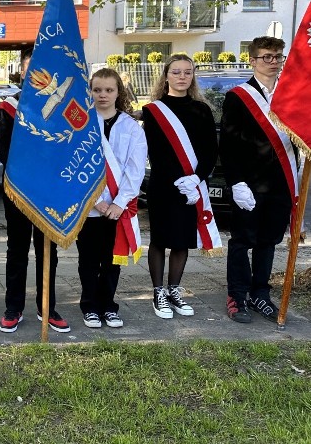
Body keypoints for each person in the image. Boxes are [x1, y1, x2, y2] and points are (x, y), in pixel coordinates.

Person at [220, 36, 296, 323]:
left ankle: (260, 294)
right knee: (242, 240)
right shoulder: (239, 96)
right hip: (249, 185)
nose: (273, 61)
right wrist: (236, 182)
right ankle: (237, 295)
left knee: (268, 241)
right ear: (252, 60)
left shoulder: (291, 95)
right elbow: (229, 144)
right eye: (267, 56)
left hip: (281, 183)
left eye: (278, 56)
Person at [0, 51, 70, 333]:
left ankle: (47, 307)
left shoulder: (61, 106)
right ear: (23, 72)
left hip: (50, 191)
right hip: (18, 189)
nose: (36, 73)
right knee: (16, 250)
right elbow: (3, 151)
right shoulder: (10, 106)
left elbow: (66, 147)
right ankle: (13, 308)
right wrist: (28, 178)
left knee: (47, 249)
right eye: (31, 68)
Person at [141, 53, 218, 319]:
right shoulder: (153, 111)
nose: (182, 77)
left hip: (192, 185)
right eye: (176, 72)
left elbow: (210, 150)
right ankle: (158, 292)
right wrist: (177, 179)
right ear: (166, 76)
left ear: (193, 76)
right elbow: (156, 152)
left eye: (187, 72)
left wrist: (196, 178)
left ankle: (174, 290)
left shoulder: (202, 109)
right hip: (164, 184)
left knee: (183, 239)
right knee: (161, 239)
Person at [77, 68, 146, 329]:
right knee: (87, 259)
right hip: (90, 206)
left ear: (119, 92)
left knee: (112, 259)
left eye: (109, 90)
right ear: (90, 92)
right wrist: (95, 200)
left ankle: (108, 305)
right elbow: (74, 167)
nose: (103, 95)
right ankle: (89, 306)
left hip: (117, 208)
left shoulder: (131, 128)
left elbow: (135, 169)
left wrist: (119, 203)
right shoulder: (81, 125)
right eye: (97, 90)